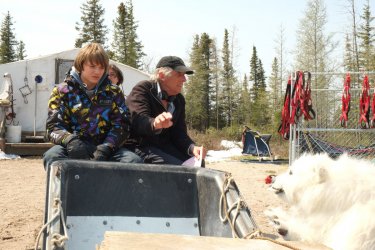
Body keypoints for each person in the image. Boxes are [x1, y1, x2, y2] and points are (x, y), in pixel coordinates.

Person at [43, 43, 142, 169]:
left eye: (101, 68)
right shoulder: (62, 91)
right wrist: (71, 141)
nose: (97, 72)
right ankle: (65, 189)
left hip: (106, 148)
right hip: (72, 146)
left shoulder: (114, 92)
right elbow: (53, 126)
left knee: (133, 162)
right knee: (52, 157)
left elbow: (122, 125)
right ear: (81, 65)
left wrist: (106, 147)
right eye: (92, 66)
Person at [125, 56, 207, 165]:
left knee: (198, 161)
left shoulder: (179, 99)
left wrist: (192, 147)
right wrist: (155, 123)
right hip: (140, 146)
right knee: (177, 168)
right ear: (162, 75)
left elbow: (179, 133)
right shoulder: (143, 89)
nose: (184, 79)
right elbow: (138, 121)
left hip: (164, 147)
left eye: (184, 75)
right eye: (179, 74)